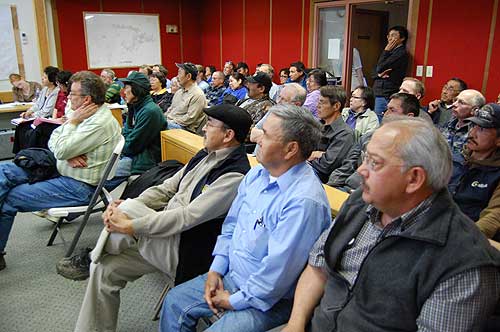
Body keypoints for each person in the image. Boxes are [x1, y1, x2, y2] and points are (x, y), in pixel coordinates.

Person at [282, 116, 500, 332]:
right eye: (364, 158)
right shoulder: (362, 201)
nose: (360, 171)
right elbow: (318, 267)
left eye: (374, 162)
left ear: (414, 179)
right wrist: (295, 323)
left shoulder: (463, 264)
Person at [68, 105, 253, 331]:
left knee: (129, 207)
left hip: (183, 250)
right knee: (104, 269)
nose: (204, 129)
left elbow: (187, 217)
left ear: (228, 135)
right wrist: (129, 210)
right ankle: (96, 264)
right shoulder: (204, 154)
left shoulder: (234, 175)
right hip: (159, 239)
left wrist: (131, 223)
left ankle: (91, 254)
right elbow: (166, 188)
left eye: (210, 124)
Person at [160, 104, 331, 332]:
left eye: (266, 134)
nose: (256, 137)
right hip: (233, 277)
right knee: (173, 302)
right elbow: (231, 226)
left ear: (290, 149)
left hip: (270, 300)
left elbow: (276, 275)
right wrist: (215, 269)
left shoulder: (303, 202)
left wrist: (232, 301)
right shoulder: (257, 173)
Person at [0, 71, 122, 271]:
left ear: (87, 99)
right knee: (3, 171)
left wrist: (70, 126)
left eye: (72, 94)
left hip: (79, 186)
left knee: (9, 198)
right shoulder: (86, 115)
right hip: (62, 171)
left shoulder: (97, 122)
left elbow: (61, 147)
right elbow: (54, 141)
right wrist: (65, 149)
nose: (68, 97)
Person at [328, 92, 420, 193]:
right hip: (347, 187)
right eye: (387, 109)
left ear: (409, 116)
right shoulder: (368, 137)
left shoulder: (413, 148)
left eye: (392, 110)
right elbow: (347, 166)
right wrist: (330, 186)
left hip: (371, 195)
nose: (385, 114)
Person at [106, 71, 167, 189]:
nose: (123, 91)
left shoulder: (150, 111)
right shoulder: (135, 106)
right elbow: (126, 132)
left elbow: (133, 145)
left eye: (127, 87)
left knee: (105, 176)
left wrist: (119, 146)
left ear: (137, 90)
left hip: (143, 159)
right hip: (133, 153)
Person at [451, 103, 500, 251]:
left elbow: (493, 217)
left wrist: (461, 240)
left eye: (482, 129)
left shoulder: (496, 173)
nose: (472, 133)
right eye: (473, 126)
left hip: (469, 239)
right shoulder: (455, 159)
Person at [309, 86, 354, 183]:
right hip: (305, 169)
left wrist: (307, 157)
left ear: (336, 106)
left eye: (322, 102)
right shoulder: (317, 125)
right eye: (318, 101)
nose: (318, 106)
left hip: (318, 179)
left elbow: (326, 166)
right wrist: (312, 155)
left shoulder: (345, 133)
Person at [13, 66, 61, 153]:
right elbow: (37, 104)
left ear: (52, 79)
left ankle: (28, 153)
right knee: (19, 126)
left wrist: (32, 115)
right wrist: (29, 111)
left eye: (45, 77)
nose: (42, 79)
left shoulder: (57, 92)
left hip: (46, 119)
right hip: (37, 117)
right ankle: (19, 153)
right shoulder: (45, 89)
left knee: (26, 128)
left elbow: (47, 111)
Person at [441, 89, 485, 178]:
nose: (454, 105)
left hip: (459, 181)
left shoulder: (478, 133)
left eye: (461, 102)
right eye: (455, 100)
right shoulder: (448, 124)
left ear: (475, 110)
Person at [372, 26, 409, 122]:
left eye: (394, 36)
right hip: (379, 91)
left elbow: (380, 67)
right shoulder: (389, 52)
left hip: (387, 92)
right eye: (389, 36)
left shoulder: (401, 53)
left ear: (402, 38)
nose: (390, 38)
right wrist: (379, 75)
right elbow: (374, 71)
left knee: (383, 121)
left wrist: (386, 51)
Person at [166, 62, 207, 132]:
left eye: (179, 73)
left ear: (188, 76)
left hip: (185, 128)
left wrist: (171, 121)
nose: (177, 77)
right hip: (171, 122)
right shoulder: (179, 92)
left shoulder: (197, 94)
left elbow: (190, 118)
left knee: (160, 125)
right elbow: (171, 109)